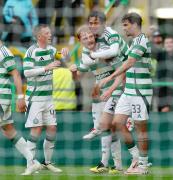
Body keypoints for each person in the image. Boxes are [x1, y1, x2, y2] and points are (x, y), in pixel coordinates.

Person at [70, 24, 128, 174]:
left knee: (105, 126)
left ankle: (106, 162)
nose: (89, 39)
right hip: (103, 94)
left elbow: (121, 71)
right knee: (109, 129)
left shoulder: (104, 49)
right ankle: (116, 165)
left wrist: (112, 89)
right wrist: (73, 70)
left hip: (115, 92)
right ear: (80, 41)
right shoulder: (86, 55)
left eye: (90, 36)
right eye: (85, 38)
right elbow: (79, 76)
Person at [100, 12, 152, 175]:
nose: (123, 29)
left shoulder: (142, 40)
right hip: (128, 91)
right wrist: (110, 88)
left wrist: (111, 77)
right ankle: (136, 157)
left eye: (125, 25)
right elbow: (125, 69)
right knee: (117, 123)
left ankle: (143, 166)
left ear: (134, 24)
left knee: (140, 128)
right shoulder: (132, 43)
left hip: (140, 91)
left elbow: (129, 63)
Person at [23, 24, 69, 173]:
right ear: (39, 36)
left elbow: (61, 58)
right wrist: (46, 68)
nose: (50, 35)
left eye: (50, 32)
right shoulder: (31, 51)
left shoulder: (52, 50)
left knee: (52, 128)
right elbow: (27, 72)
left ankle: (47, 162)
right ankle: (30, 164)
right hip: (34, 98)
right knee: (36, 130)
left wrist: (65, 53)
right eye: (47, 33)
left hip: (49, 98)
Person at [0, 33, 41, 175]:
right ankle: (33, 162)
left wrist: (20, 96)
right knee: (8, 130)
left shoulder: (4, 52)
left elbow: (16, 74)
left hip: (1, 97)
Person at [156, 36, 173, 112]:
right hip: (162, 91)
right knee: (165, 112)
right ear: (164, 45)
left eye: (171, 42)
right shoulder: (160, 55)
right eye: (167, 43)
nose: (169, 44)